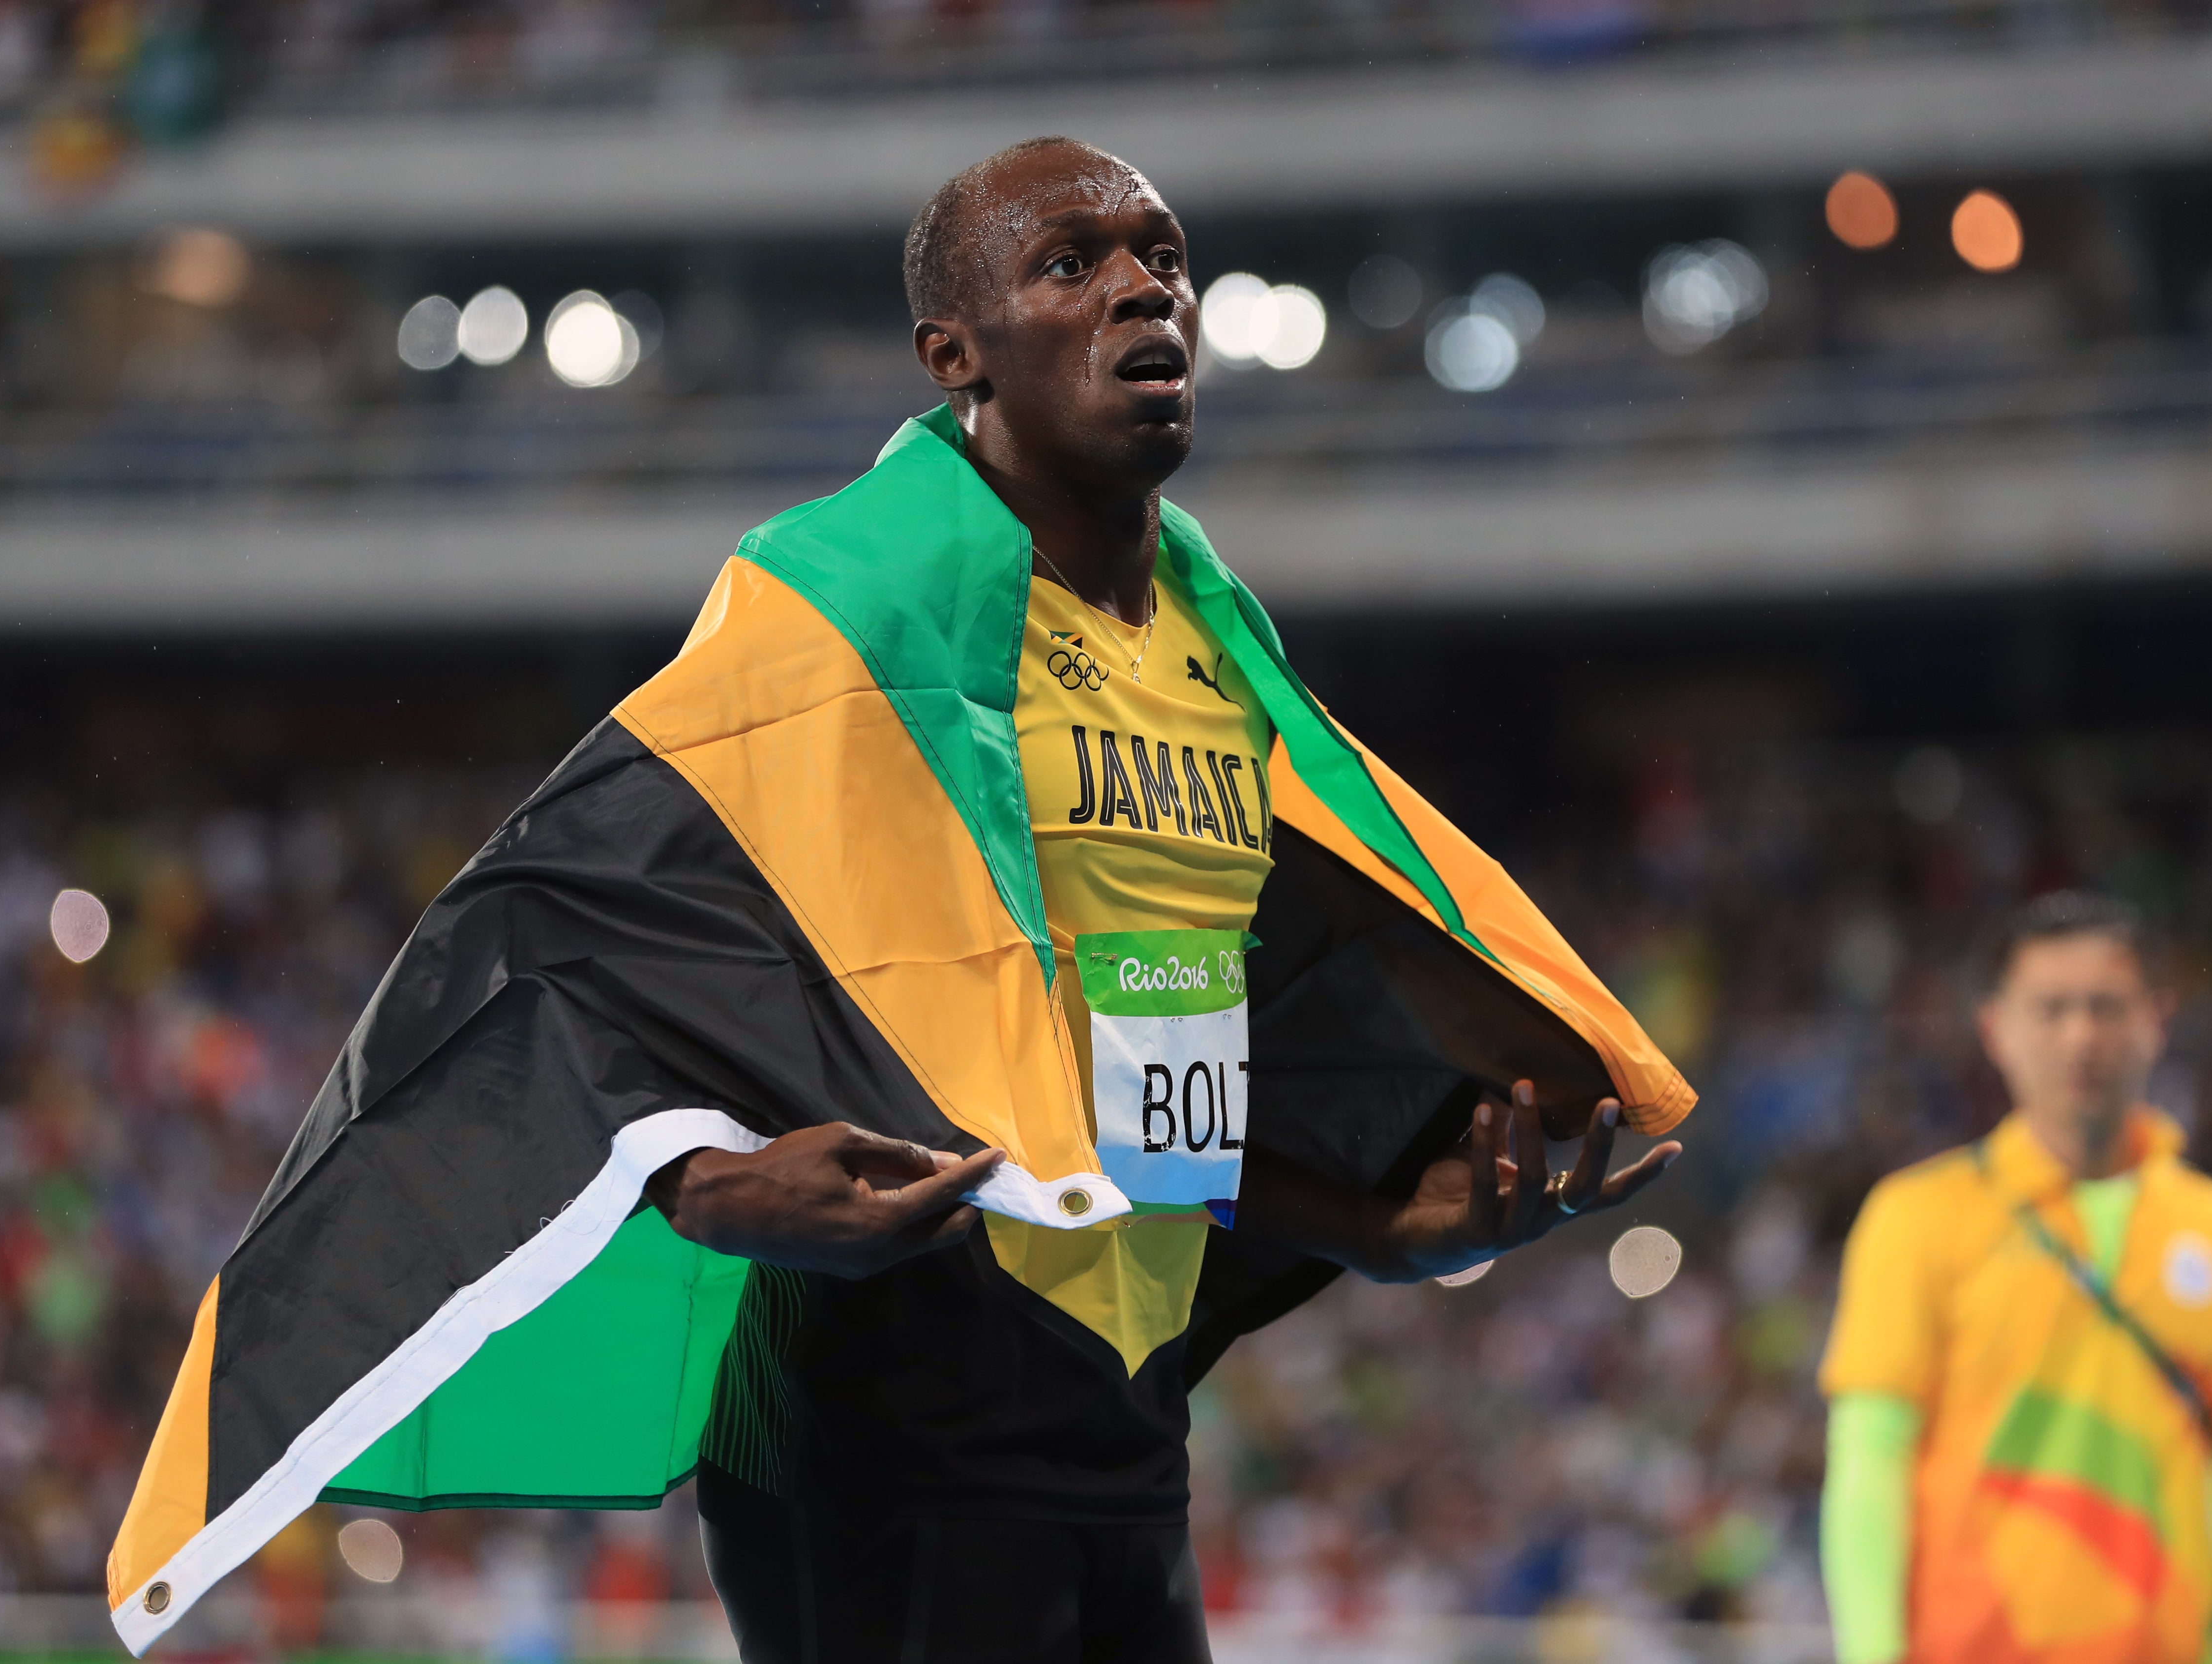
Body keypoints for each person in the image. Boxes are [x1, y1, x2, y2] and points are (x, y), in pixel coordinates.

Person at [106, 138, 1694, 1664]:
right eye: (1069, 265)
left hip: (1121, 1413)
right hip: (879, 1406)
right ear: (958, 354)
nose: (1142, 291)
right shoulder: (833, 602)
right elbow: (574, 939)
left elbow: (1126, 1100)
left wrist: (1369, 1225)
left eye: (1161, 258)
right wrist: (713, 1188)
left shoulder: (1215, 657)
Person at [1820, 891, 2212, 1664]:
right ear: (1995, 1027)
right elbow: (1870, 1459)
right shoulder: (1915, 1219)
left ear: (2159, 1018)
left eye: (2107, 1008)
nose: (2081, 1037)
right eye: (2050, 1009)